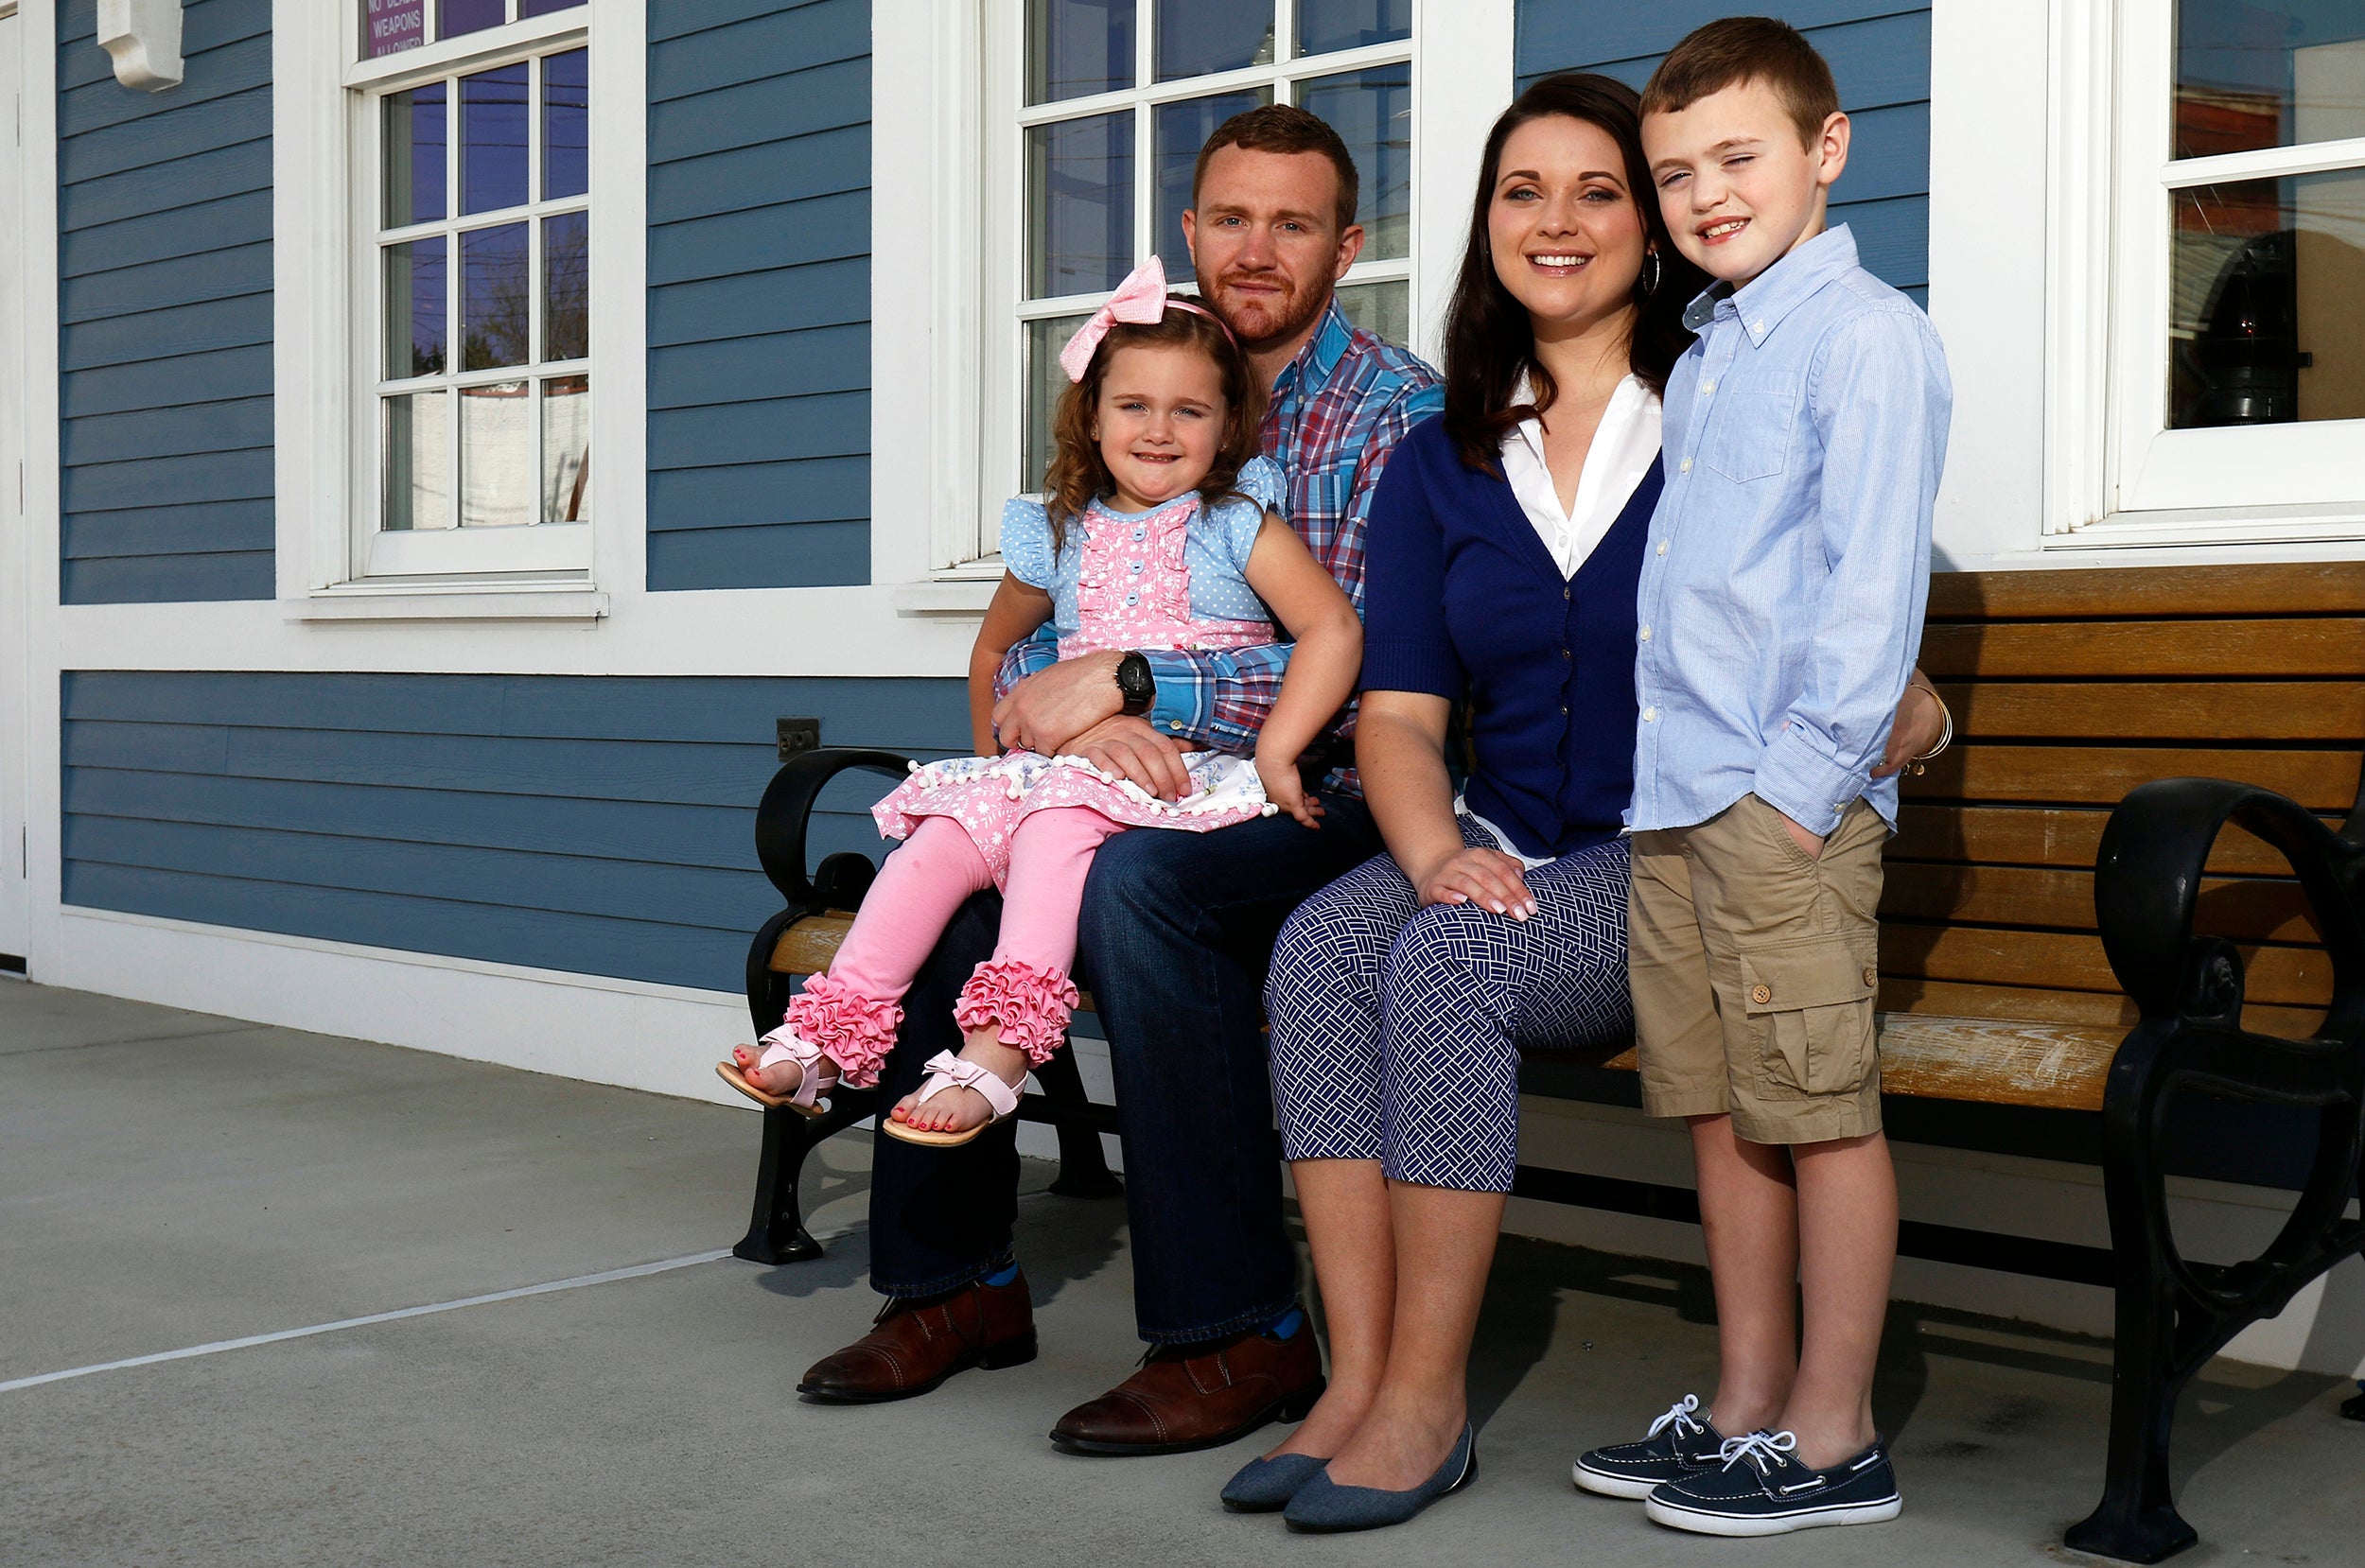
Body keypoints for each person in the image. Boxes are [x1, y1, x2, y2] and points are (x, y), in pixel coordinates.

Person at [1239, 71, 1951, 1534]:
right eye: (1521, 191)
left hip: (1674, 842)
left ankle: (1429, 1403)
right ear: (1484, 224)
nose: (1556, 221)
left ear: (1654, 221)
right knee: (1319, 946)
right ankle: (1356, 1381)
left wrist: (1916, 716)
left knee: (1449, 963)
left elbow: (1845, 596)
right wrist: (1433, 848)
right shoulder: (1442, 454)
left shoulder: (1726, 385)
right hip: (1501, 833)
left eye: (1598, 189)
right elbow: (1402, 712)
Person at [791, 107, 1444, 1448]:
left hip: (1330, 791)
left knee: (1146, 888)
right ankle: (954, 1287)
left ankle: (1236, 1332)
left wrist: (1146, 686)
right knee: (956, 889)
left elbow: (1385, 661)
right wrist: (1070, 725)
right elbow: (1027, 643)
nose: (1257, 249)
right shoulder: (1149, 389)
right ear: (1191, 231)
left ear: (1347, 244)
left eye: (1295, 222)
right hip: (1112, 784)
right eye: (1231, 218)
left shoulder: (1397, 414)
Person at [716, 260, 1360, 1151]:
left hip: (1175, 773)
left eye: (1191, 410)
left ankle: (1000, 1052)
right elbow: (990, 650)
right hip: (1056, 766)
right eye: (1134, 405)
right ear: (1091, 417)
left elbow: (1332, 630)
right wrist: (992, 767)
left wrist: (1282, 749)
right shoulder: (1058, 529)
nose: (1160, 431)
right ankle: (829, 1034)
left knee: (1054, 829)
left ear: (1229, 427)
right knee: (941, 843)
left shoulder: (1235, 522)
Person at [1578, 17, 1953, 1538]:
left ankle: (1835, 1431)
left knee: (1818, 1109)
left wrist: (1799, 797)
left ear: (1825, 147)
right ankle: (1745, 1396)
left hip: (1776, 803)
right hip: (1679, 794)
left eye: (1738, 157)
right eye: (1675, 174)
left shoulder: (1862, 337)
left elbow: (1872, 603)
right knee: (1720, 1109)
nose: (1705, 195)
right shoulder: (1720, 343)